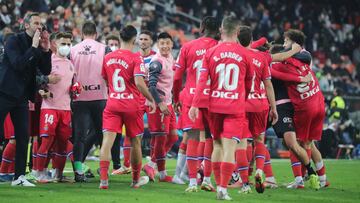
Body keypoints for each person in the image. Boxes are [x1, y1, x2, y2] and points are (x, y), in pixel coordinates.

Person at [189, 16, 252, 200]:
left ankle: (218, 185)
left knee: (216, 145)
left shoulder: (211, 52)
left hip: (214, 106)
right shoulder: (245, 54)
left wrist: (194, 104)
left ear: (222, 30)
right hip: (235, 107)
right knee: (229, 148)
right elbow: (248, 84)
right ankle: (223, 189)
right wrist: (242, 98)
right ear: (238, 31)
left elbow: (202, 81)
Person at [98, 25, 156, 189]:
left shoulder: (108, 57)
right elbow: (139, 82)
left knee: (107, 142)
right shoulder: (136, 58)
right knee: (136, 142)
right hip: (132, 105)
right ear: (134, 39)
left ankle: (104, 181)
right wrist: (150, 99)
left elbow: (105, 78)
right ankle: (135, 180)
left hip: (113, 103)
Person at [0, 12, 51, 187]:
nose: (39, 27)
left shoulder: (36, 45)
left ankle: (19, 177)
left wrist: (46, 50)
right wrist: (35, 47)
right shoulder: (14, 40)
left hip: (22, 97)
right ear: (26, 25)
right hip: (4, 93)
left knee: (24, 136)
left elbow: (45, 70)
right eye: (36, 23)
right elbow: (18, 64)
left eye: (41, 24)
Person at [272, 29, 327, 188]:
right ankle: (322, 178)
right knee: (309, 143)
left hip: (305, 106)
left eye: (285, 41)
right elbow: (296, 56)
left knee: (297, 143)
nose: (283, 45)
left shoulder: (285, 63)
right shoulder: (304, 58)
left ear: (293, 43)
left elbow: (279, 69)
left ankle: (301, 179)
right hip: (318, 101)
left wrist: (274, 56)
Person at [172, 16, 219, 191]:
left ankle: (191, 182)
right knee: (211, 139)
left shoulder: (188, 47)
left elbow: (177, 77)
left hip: (192, 98)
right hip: (215, 98)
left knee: (192, 138)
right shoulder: (220, 48)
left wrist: (176, 98)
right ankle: (206, 179)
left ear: (201, 28)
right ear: (218, 31)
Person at [237, 25, 278, 194]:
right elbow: (268, 84)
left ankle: (245, 182)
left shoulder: (237, 55)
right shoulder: (261, 57)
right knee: (259, 140)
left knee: (243, 142)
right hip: (261, 104)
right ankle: (260, 171)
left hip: (242, 104)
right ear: (252, 40)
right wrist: (273, 108)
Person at [70, 21, 108, 182]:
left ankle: (78, 172)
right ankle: (104, 174)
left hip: (79, 98)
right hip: (100, 97)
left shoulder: (73, 50)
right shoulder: (104, 48)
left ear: (81, 34)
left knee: (79, 137)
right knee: (102, 136)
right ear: (96, 34)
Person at [36, 32, 75, 183]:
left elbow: (70, 85)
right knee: (46, 142)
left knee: (63, 144)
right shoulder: (49, 60)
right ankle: (40, 174)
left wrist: (75, 89)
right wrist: (41, 90)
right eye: (63, 43)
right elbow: (39, 80)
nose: (66, 47)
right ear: (55, 44)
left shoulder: (71, 64)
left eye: (68, 44)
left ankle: (58, 175)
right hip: (49, 108)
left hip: (65, 109)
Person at [145, 32, 178, 182]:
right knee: (160, 138)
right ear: (158, 45)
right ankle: (160, 172)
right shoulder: (156, 61)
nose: (165, 46)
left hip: (169, 104)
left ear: (171, 44)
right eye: (162, 43)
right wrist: (160, 103)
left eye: (167, 43)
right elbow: (151, 86)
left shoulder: (171, 58)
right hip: (158, 105)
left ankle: (152, 164)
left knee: (172, 137)